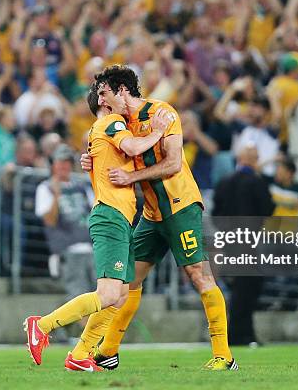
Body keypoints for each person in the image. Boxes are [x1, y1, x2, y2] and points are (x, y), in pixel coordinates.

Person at [81, 65, 238, 371]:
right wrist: (89, 159)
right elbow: (110, 155)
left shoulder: (162, 113)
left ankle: (224, 356)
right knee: (128, 281)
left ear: (122, 91)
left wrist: (131, 177)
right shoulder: (118, 124)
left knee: (198, 274)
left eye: (104, 93)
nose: (99, 100)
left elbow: (174, 163)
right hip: (152, 214)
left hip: (180, 206)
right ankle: (107, 351)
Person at [24, 80, 173, 372]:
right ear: (104, 102)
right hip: (111, 216)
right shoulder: (112, 123)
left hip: (119, 217)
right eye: (115, 94)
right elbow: (131, 145)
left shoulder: (99, 133)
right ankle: (41, 325)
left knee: (119, 296)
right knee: (107, 294)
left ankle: (81, 353)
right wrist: (158, 130)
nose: (122, 99)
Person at [212, 143, 275, 346]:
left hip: (230, 240)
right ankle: (240, 335)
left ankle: (241, 333)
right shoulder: (256, 182)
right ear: (253, 159)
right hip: (249, 241)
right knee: (247, 289)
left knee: (239, 287)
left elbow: (215, 213)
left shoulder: (224, 181)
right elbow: (268, 208)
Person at [35, 145, 95, 303]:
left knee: (102, 298)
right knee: (79, 298)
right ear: (53, 164)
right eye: (60, 161)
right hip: (68, 251)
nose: (64, 165)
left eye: (67, 161)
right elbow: (49, 221)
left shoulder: (83, 186)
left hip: (93, 249)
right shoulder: (44, 188)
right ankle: (81, 328)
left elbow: (96, 214)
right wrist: (56, 195)